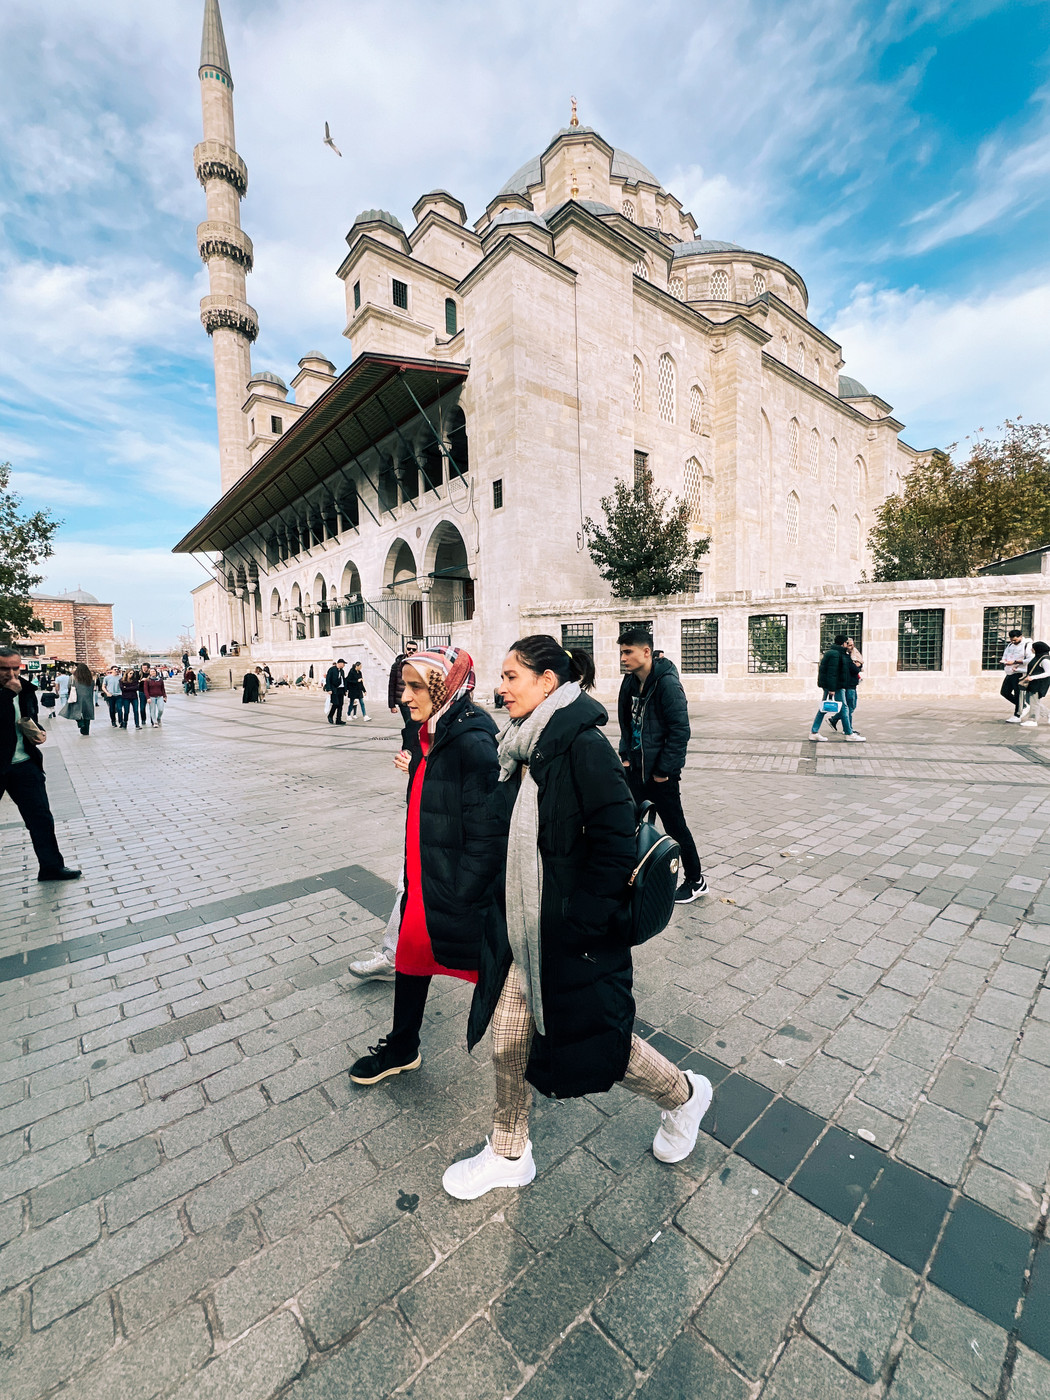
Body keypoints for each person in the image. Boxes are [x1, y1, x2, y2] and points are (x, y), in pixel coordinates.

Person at [444, 634, 713, 1200]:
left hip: (569, 934)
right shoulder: (521, 745)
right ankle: (509, 1151)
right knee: (509, 1038)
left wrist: (583, 924)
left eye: (512, 676)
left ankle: (686, 1097)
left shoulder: (582, 745)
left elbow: (615, 840)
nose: (501, 687)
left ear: (547, 682)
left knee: (604, 1046)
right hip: (524, 927)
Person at [349, 647, 503, 1085]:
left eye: (416, 687)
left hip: (451, 886)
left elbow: (489, 832)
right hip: (425, 875)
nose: (404, 696)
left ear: (445, 686)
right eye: (405, 686)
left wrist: (461, 891)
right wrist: (416, 764)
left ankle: (541, 1057)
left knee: (499, 975)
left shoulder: (472, 741)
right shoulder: (436, 730)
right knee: (411, 957)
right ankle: (402, 1047)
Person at [617, 626, 707, 903]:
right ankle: (633, 878)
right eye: (621, 652)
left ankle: (696, 880)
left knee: (675, 826)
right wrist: (625, 755)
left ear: (646, 652)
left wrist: (663, 771)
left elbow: (680, 731)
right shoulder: (630, 682)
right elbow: (626, 723)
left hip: (660, 774)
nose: (623, 658)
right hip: (635, 768)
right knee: (628, 823)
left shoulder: (667, 683)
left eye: (628, 652)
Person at [0, 647, 80, 881]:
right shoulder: (12, 690)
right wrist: (7, 694)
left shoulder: (25, 689)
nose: (11, 674)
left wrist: (38, 732)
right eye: (4, 669)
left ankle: (51, 867)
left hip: (24, 763)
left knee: (41, 818)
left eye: (15, 668)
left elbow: (29, 719)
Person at [809, 633, 865, 743]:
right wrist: (832, 689)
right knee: (844, 708)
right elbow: (832, 673)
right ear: (843, 643)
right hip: (836, 686)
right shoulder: (835, 654)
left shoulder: (837, 653)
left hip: (835, 685)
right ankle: (849, 733)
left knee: (823, 709)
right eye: (847, 643)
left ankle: (814, 732)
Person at [828, 637, 863, 733]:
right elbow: (853, 669)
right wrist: (856, 666)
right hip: (848, 684)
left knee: (851, 707)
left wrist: (859, 665)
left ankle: (835, 719)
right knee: (848, 707)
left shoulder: (853, 654)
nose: (852, 647)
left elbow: (858, 665)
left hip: (853, 684)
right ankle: (848, 729)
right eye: (850, 645)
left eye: (853, 645)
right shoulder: (845, 656)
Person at [388, 640, 420, 742]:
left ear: (417, 650)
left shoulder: (420, 664)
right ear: (405, 649)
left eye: (413, 649)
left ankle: (413, 744)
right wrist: (392, 705)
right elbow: (392, 685)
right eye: (409, 649)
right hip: (404, 701)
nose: (411, 651)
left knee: (418, 725)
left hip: (417, 701)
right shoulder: (397, 665)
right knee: (410, 724)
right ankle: (410, 745)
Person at [1002, 628, 1035, 721]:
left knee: (1018, 695)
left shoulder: (1027, 645)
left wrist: (1015, 662)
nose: (1013, 642)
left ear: (1020, 637)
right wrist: (1004, 661)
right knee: (1004, 692)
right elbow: (1005, 655)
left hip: (1020, 672)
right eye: (1011, 640)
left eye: (1015, 640)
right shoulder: (1010, 645)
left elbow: (1031, 659)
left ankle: (1017, 715)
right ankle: (1023, 705)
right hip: (1010, 671)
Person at [1017, 642, 1050, 727]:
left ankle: (1033, 720)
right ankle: (1048, 713)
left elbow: (1048, 673)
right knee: (1030, 700)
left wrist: (1033, 677)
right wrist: (1018, 670)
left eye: (1033, 648)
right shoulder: (1037, 657)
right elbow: (1033, 669)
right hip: (1033, 683)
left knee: (1034, 701)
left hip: (1039, 683)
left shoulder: (1045, 660)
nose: (1032, 649)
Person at [59, 663, 96, 736]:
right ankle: (86, 730)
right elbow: (92, 689)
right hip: (88, 698)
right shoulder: (90, 680)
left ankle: (80, 722)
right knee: (87, 714)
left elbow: (69, 686)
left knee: (75, 711)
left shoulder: (73, 678)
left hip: (76, 697)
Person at [325, 659, 347, 725]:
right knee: (335, 704)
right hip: (334, 689)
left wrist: (345, 690)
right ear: (340, 663)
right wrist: (329, 689)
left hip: (341, 689)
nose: (344, 665)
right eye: (343, 664)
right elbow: (328, 679)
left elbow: (343, 680)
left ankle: (338, 719)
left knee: (340, 705)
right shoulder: (332, 670)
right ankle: (330, 716)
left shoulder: (342, 671)